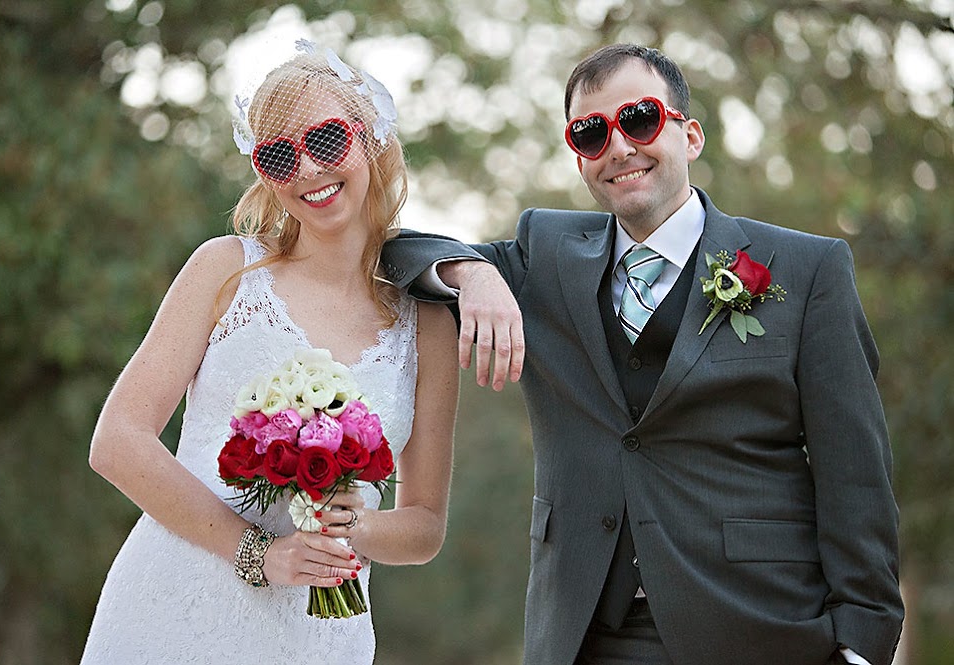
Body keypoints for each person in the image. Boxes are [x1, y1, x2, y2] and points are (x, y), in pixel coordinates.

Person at [381, 43, 903, 665]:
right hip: (584, 635)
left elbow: (855, 470)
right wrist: (474, 273)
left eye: (640, 120)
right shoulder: (543, 254)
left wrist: (862, 644)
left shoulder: (806, 268)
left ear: (691, 135)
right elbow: (394, 251)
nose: (620, 148)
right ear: (578, 158)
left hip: (761, 628)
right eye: (591, 133)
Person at [81, 41, 458, 664]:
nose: (308, 169)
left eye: (328, 141)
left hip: (317, 636)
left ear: (372, 140)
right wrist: (255, 551)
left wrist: (345, 526)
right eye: (279, 155)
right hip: (173, 611)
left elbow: (423, 527)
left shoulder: (430, 325)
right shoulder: (224, 272)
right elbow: (117, 441)